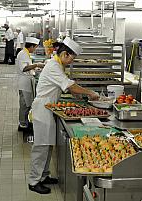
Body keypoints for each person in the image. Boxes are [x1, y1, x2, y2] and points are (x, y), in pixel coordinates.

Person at [28, 37, 99, 194]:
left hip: (49, 108)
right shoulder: (54, 66)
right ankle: (34, 181)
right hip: (42, 110)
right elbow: (70, 85)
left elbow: (66, 86)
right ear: (65, 54)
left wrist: (77, 94)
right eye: (72, 58)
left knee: (48, 145)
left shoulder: (57, 65)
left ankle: (43, 176)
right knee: (41, 146)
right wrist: (90, 93)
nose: (71, 62)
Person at [17, 37, 45, 131]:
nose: (35, 49)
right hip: (24, 82)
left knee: (27, 104)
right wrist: (36, 65)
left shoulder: (26, 53)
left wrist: (34, 69)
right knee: (24, 104)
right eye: (35, 47)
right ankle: (22, 125)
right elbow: (24, 68)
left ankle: (25, 122)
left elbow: (28, 67)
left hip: (27, 81)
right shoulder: (23, 54)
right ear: (31, 46)